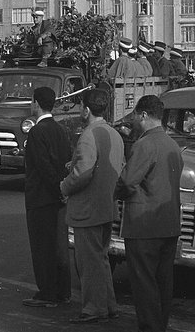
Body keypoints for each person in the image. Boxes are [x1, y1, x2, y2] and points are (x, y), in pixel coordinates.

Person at [115, 95, 183, 332]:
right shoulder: (172, 145)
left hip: (144, 226)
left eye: (135, 114)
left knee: (144, 284)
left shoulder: (145, 144)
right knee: (163, 282)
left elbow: (127, 181)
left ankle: (150, 327)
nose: (134, 119)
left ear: (143, 115)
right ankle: (159, 326)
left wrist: (117, 194)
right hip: (168, 224)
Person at [60, 88, 123, 323]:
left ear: (86, 110)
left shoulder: (88, 135)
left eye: (81, 107)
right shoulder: (113, 133)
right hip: (106, 206)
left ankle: (94, 308)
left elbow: (83, 174)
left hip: (88, 209)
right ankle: (108, 305)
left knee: (89, 262)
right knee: (101, 259)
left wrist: (64, 186)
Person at [22, 87, 72, 308]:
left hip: (41, 197)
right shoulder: (60, 130)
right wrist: (62, 190)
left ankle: (48, 292)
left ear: (36, 103)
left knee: (42, 248)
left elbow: (43, 166)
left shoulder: (36, 132)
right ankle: (63, 290)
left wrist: (56, 188)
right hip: (58, 197)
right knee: (59, 246)